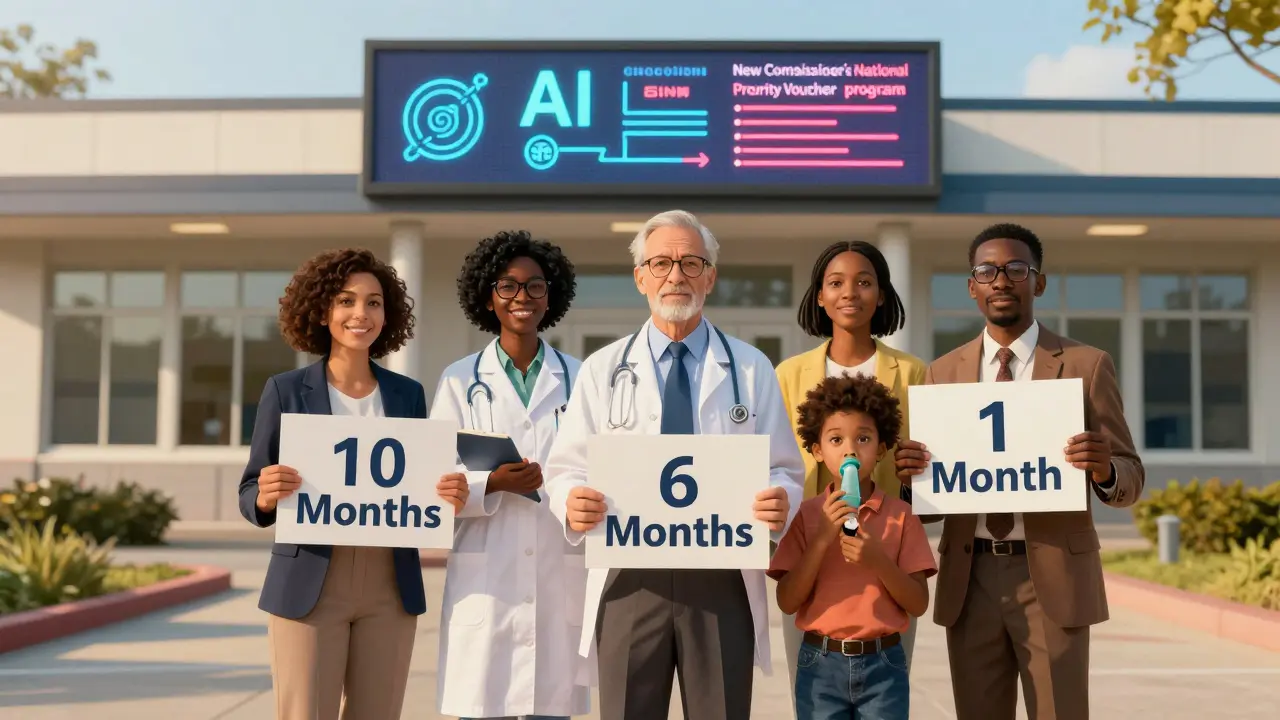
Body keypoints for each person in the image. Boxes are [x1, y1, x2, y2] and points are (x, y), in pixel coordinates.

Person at [543, 209, 805, 720]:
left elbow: (784, 469)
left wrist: (781, 500)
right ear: (640, 277)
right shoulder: (602, 369)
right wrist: (570, 500)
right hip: (628, 577)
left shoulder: (750, 368)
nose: (676, 275)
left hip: (722, 576)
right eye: (661, 262)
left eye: (690, 262)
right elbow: (566, 469)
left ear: (711, 276)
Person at [895, 223, 1144, 720]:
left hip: (1052, 573)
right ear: (972, 286)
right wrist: (911, 482)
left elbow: (1130, 475)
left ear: (1039, 281)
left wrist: (1102, 471)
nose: (1001, 280)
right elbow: (927, 509)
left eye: (1015, 269)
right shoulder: (942, 373)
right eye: (987, 271)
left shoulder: (1084, 365)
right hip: (972, 575)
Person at [237, 247, 469, 720]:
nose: (360, 314)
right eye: (345, 301)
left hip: (391, 582)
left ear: (388, 315)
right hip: (310, 580)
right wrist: (264, 494)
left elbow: (419, 481)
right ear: (322, 311)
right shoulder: (285, 390)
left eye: (374, 302)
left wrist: (449, 493)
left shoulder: (408, 394)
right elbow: (249, 491)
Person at [429, 230, 590, 720]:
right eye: (508, 286)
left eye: (535, 286)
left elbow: (597, 465)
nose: (522, 297)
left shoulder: (582, 378)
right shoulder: (459, 380)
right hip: (487, 578)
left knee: (551, 706)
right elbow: (435, 483)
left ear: (551, 297)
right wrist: (493, 485)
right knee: (484, 704)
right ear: (489, 297)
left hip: (559, 570)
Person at [773, 240, 928, 690]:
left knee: (885, 691)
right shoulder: (788, 374)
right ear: (819, 296)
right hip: (810, 551)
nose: (850, 293)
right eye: (835, 282)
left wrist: (915, 473)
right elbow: (775, 463)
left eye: (864, 282)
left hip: (886, 555)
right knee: (813, 694)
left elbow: (928, 473)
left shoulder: (914, 372)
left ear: (881, 295)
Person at [768, 374, 936, 720]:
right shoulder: (806, 516)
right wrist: (821, 539)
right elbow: (786, 600)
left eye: (863, 438)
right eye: (835, 439)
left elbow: (918, 603)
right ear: (817, 451)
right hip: (819, 662)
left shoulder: (901, 517)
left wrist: (879, 561)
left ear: (881, 449)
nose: (849, 450)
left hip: (884, 663)